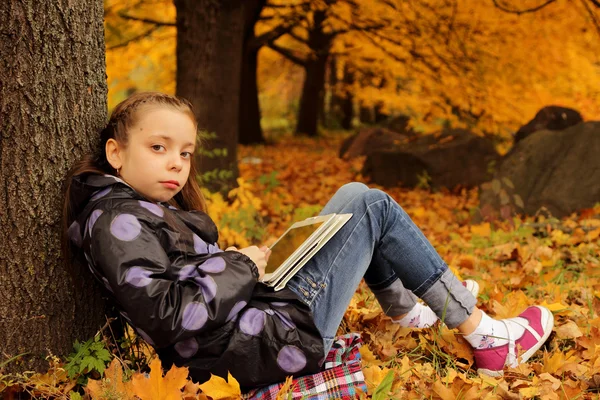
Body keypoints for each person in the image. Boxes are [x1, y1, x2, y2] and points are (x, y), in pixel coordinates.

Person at [63, 92, 554, 389]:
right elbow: (169, 313)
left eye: (186, 153)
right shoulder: (116, 222)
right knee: (370, 205)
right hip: (262, 347)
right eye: (158, 148)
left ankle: (409, 312)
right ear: (115, 152)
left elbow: (182, 285)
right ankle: (485, 337)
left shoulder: (129, 210)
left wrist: (247, 261)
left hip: (249, 328)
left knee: (353, 197)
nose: (176, 163)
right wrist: (246, 267)